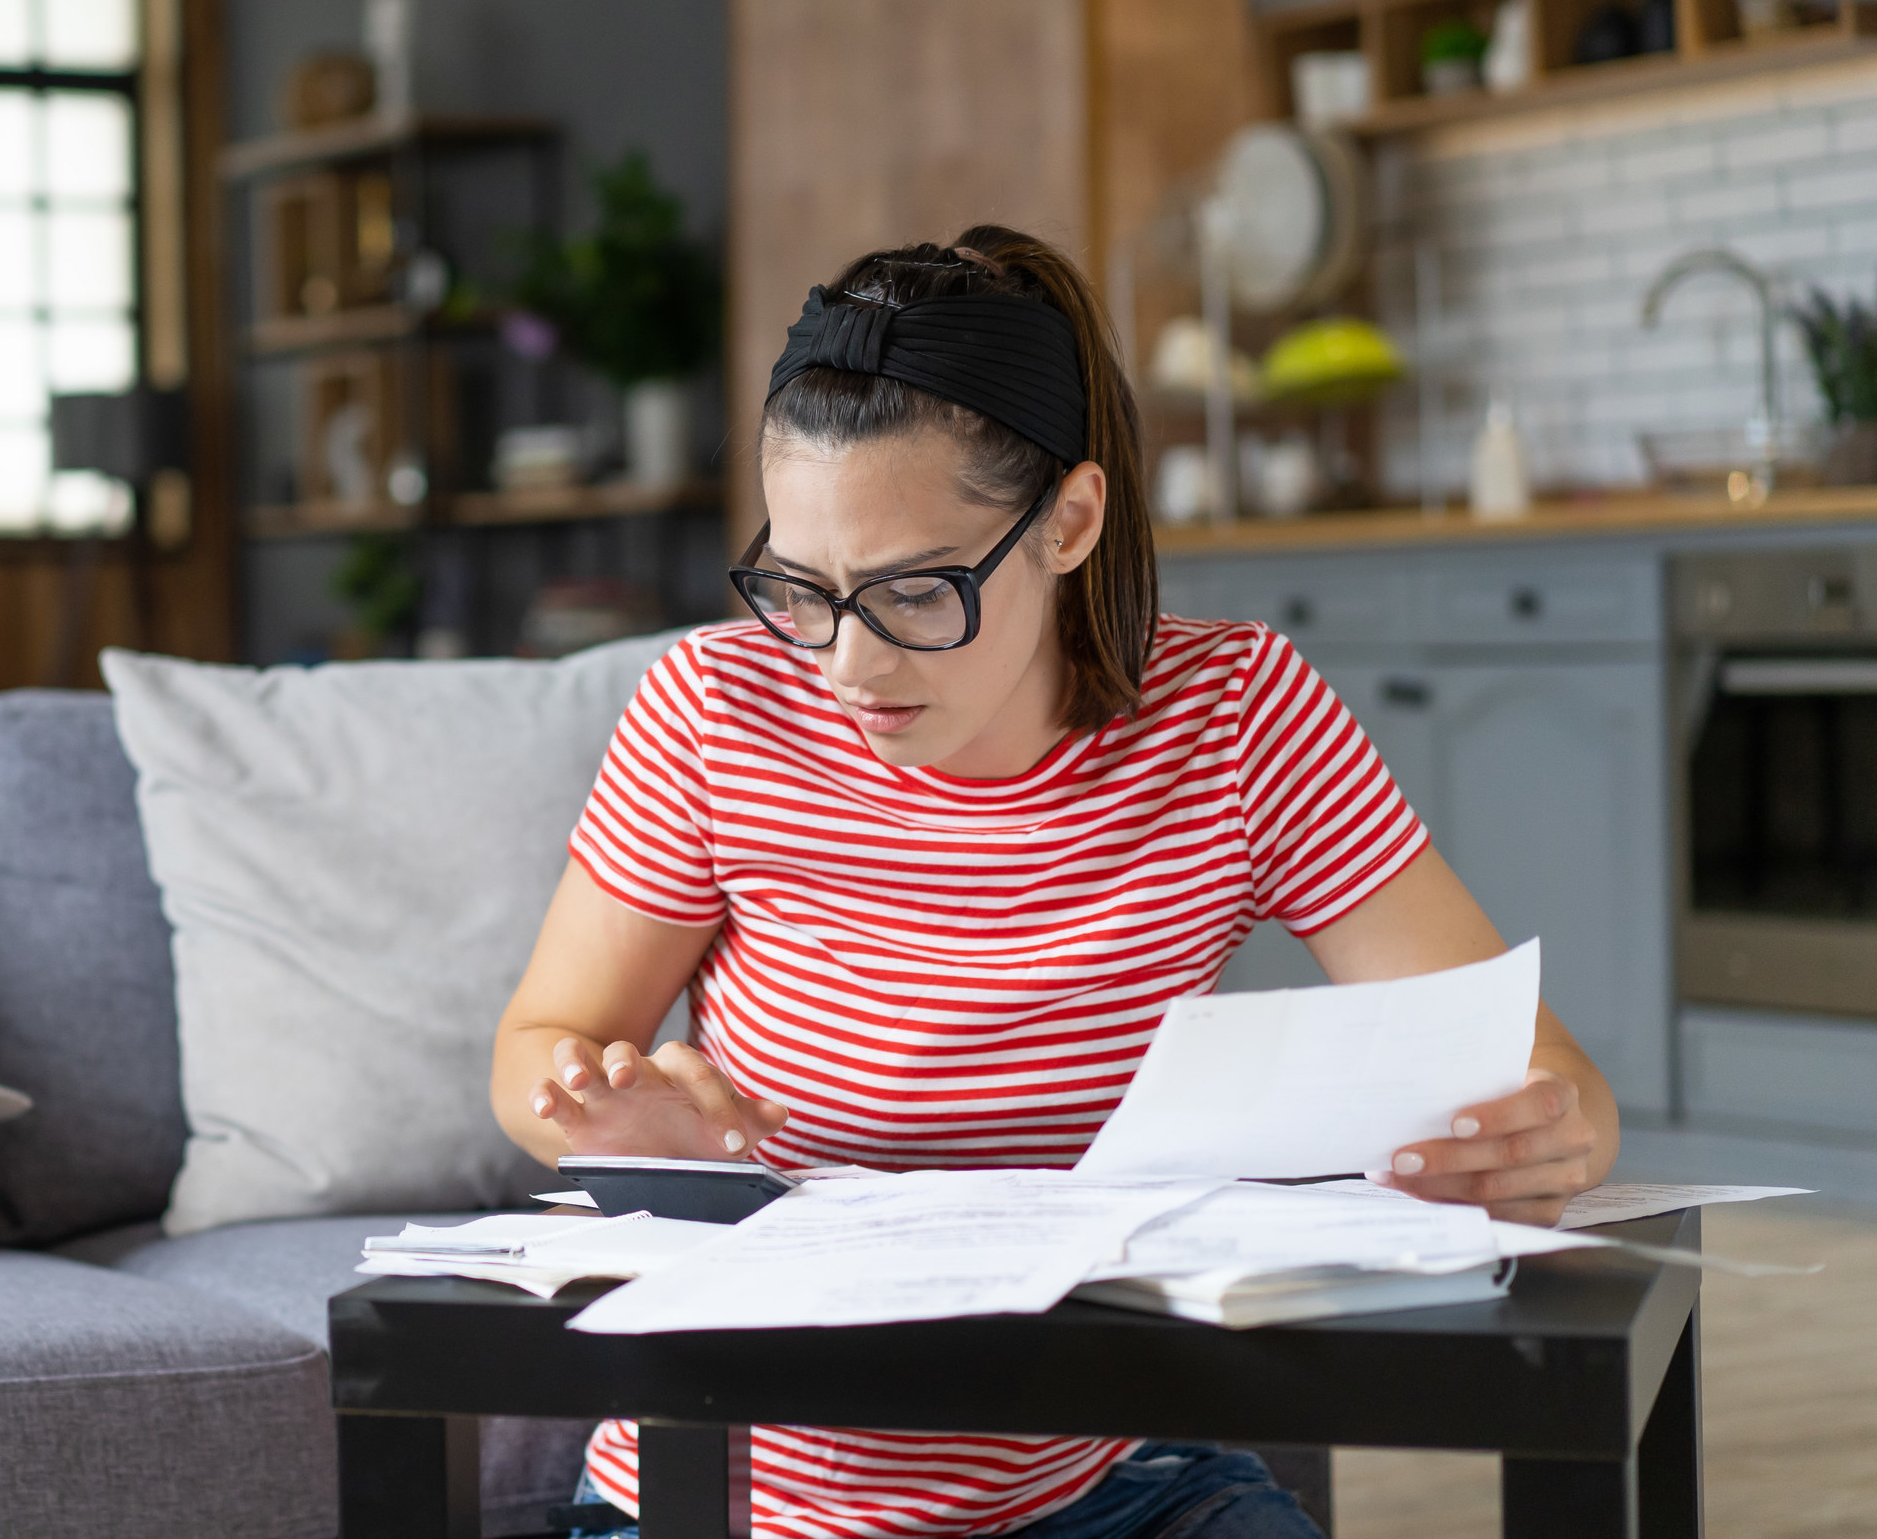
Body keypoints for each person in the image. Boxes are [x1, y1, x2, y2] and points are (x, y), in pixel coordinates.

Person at [488, 226, 1617, 1539]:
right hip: (734, 1494)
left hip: (1114, 1486)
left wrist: (1556, 1133)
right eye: (801, 589)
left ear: (1069, 520)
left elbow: (1528, 1062)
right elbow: (538, 1051)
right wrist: (615, 1117)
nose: (845, 666)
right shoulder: (711, 713)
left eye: (913, 592)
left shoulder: (1235, 715)